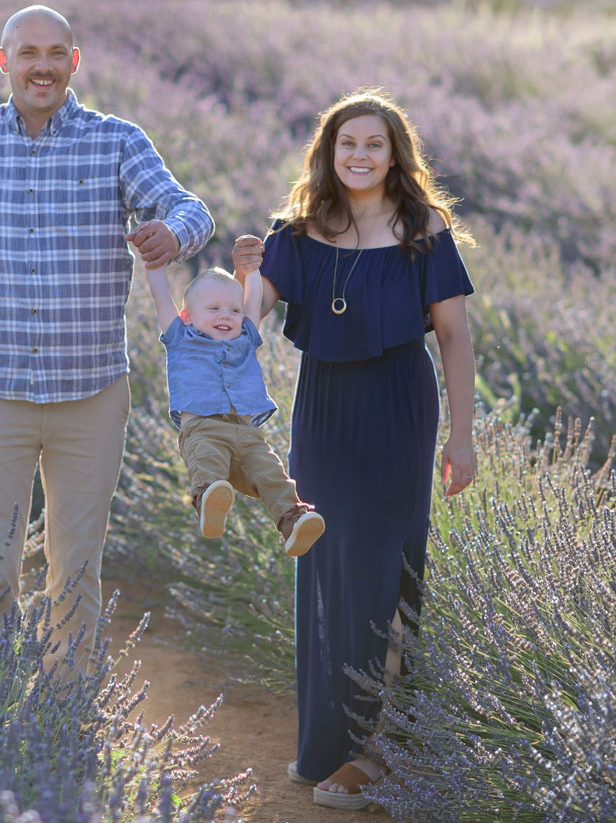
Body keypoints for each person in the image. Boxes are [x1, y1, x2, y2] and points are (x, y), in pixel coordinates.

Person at [0, 4, 213, 669]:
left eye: (56, 52)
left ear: (74, 62)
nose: (42, 66)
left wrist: (174, 234)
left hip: (90, 394)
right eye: (28, 53)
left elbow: (189, 207)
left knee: (76, 570)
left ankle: (66, 718)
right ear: (4, 62)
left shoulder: (117, 143)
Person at [232, 88, 476, 811]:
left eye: (375, 144)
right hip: (324, 411)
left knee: (383, 570)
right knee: (327, 569)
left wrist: (462, 436)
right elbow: (253, 317)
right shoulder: (298, 229)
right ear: (327, 154)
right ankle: (328, 747)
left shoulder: (422, 228)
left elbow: (456, 337)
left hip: (398, 408)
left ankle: (381, 751)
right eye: (348, 145)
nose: (361, 156)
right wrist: (247, 278)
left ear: (395, 154)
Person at [142, 262, 325, 555]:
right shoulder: (180, 337)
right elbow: (161, 297)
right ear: (187, 317)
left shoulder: (246, 339)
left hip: (248, 433)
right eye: (213, 309)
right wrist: (155, 265)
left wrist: (251, 271)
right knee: (208, 460)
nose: (225, 315)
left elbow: (252, 301)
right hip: (203, 428)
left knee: (272, 475)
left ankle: (292, 522)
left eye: (233, 310)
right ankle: (209, 502)